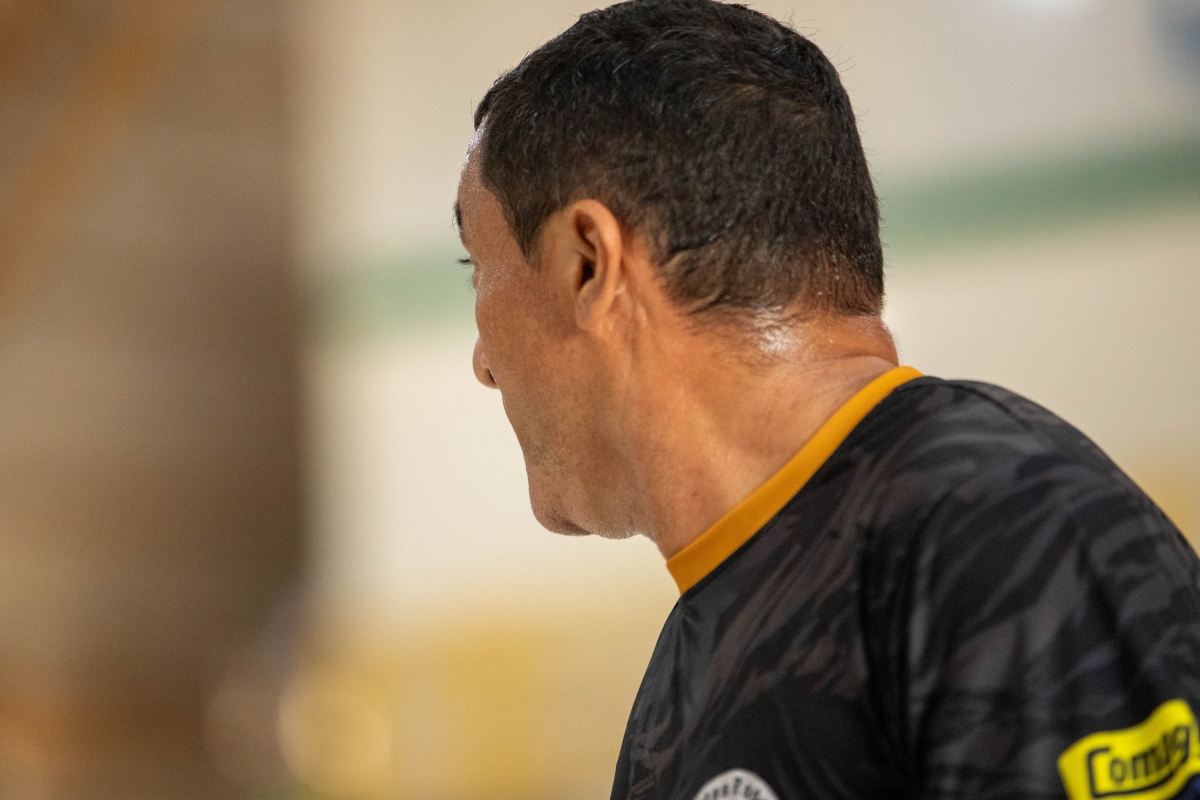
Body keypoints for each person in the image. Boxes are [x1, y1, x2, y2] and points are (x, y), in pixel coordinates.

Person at [452, 1, 1200, 798]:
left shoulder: (1012, 537)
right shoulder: (689, 671)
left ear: (588, 264)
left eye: (477, 269)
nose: (483, 364)